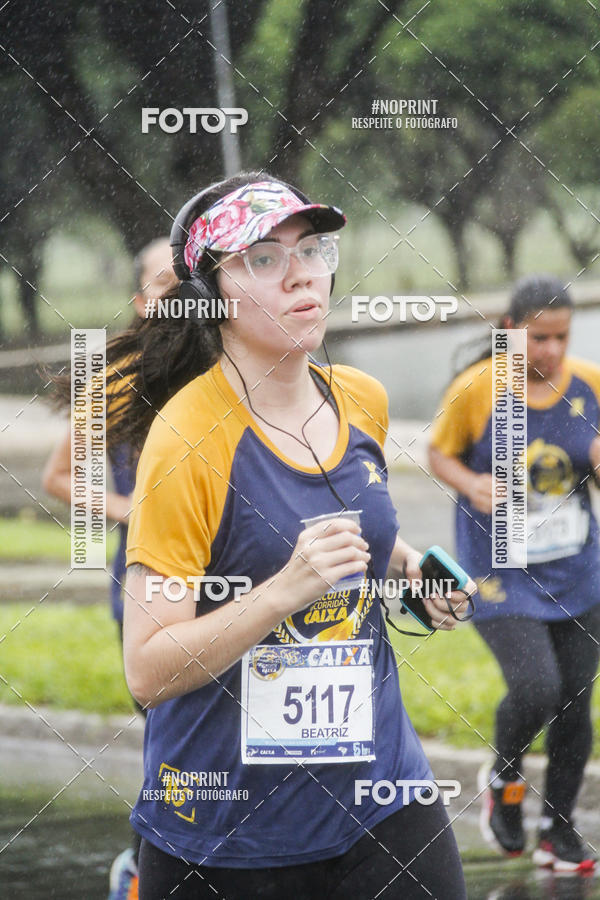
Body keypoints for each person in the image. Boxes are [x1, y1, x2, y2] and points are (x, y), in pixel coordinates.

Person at [111, 173, 476, 899]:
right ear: (214, 293)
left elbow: (364, 545)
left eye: (311, 249)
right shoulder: (188, 439)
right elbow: (148, 670)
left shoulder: (360, 400)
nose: (302, 273)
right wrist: (284, 592)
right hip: (228, 825)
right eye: (264, 259)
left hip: (381, 794)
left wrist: (414, 575)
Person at [428, 275, 600, 873]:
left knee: (577, 704)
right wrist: (471, 482)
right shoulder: (478, 388)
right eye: (537, 337)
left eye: (560, 337)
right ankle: (504, 783)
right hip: (499, 569)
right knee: (536, 688)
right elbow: (437, 453)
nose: (550, 350)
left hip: (576, 570)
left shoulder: (589, 385)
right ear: (509, 332)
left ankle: (559, 830)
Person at [43, 236, 175, 900]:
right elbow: (61, 476)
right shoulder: (119, 380)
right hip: (149, 587)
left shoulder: (232, 370)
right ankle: (142, 872)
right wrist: (132, 510)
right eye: (163, 284)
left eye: (188, 283)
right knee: (176, 745)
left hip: (232, 592)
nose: (177, 295)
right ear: (140, 299)